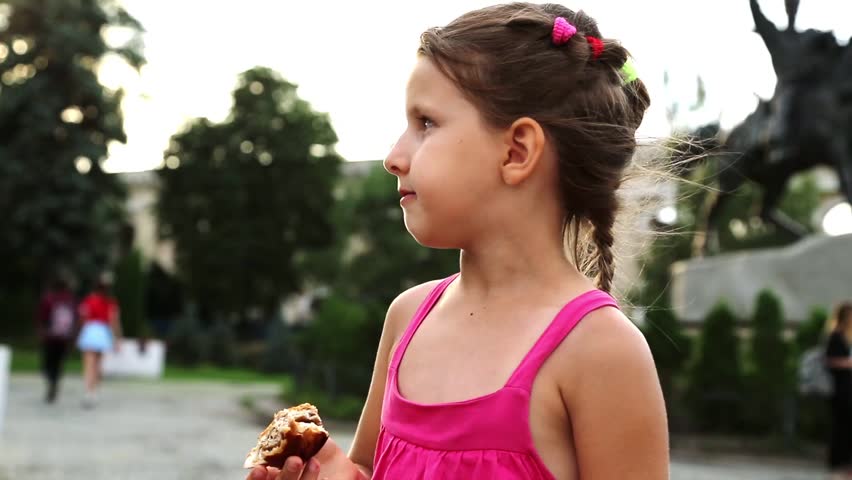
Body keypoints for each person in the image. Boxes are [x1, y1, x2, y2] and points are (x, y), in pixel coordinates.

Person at [248, 4, 668, 479]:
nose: (393, 157)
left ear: (516, 151)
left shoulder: (602, 352)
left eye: (425, 123)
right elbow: (369, 470)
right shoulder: (407, 316)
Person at [76, 275, 122, 408]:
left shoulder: (89, 300)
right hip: (103, 332)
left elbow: (82, 317)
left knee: (88, 365)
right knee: (98, 365)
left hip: (90, 331)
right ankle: (94, 391)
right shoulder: (111, 302)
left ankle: (88, 392)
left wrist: (80, 331)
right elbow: (114, 321)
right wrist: (117, 338)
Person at [35, 276, 77, 403]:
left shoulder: (48, 298)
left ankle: (51, 381)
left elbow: (42, 316)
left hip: (50, 336)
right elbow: (75, 319)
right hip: (64, 338)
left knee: (48, 362)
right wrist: (73, 337)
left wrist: (41, 332)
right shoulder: (70, 300)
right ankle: (55, 381)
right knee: (59, 362)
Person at [826, 302, 852, 475]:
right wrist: (848, 363)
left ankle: (847, 462)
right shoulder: (835, 336)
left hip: (849, 387)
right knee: (841, 425)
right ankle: (838, 462)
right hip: (840, 389)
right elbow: (829, 360)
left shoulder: (848, 337)